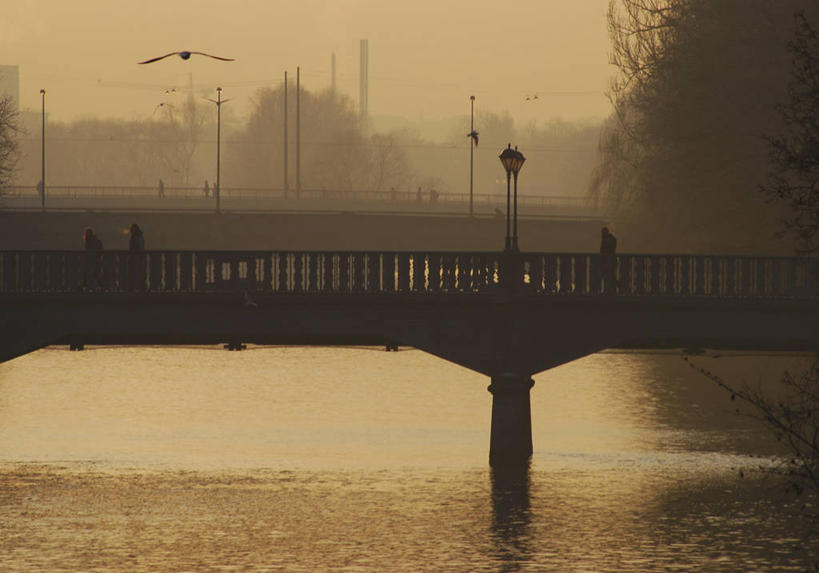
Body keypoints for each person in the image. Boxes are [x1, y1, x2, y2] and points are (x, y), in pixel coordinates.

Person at [599, 227, 617, 294]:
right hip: (608, 260)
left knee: (608, 276)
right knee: (609, 276)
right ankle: (609, 289)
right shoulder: (610, 239)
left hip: (608, 260)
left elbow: (604, 251)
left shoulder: (608, 240)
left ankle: (608, 290)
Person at [128, 223, 146, 291]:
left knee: (136, 273)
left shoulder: (136, 237)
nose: (130, 230)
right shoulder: (139, 236)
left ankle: (136, 287)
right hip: (138, 257)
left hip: (136, 258)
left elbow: (138, 247)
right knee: (138, 273)